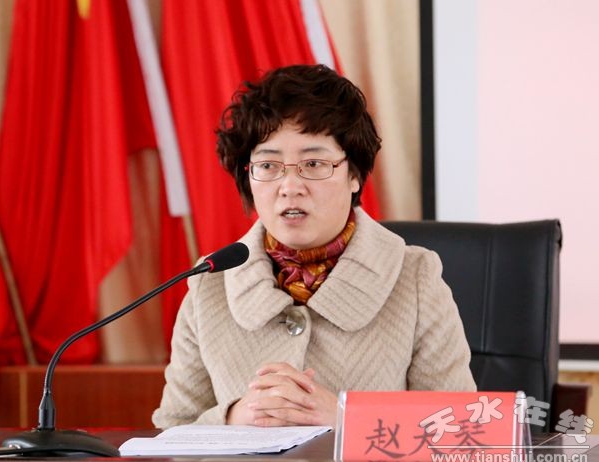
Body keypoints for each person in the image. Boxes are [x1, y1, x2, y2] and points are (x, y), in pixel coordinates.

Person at [152, 64, 476, 429]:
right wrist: (232, 418)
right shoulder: (210, 282)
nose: (290, 186)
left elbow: (462, 430)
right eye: (269, 165)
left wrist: (348, 420)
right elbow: (171, 432)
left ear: (354, 175)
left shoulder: (415, 278)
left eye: (313, 163)